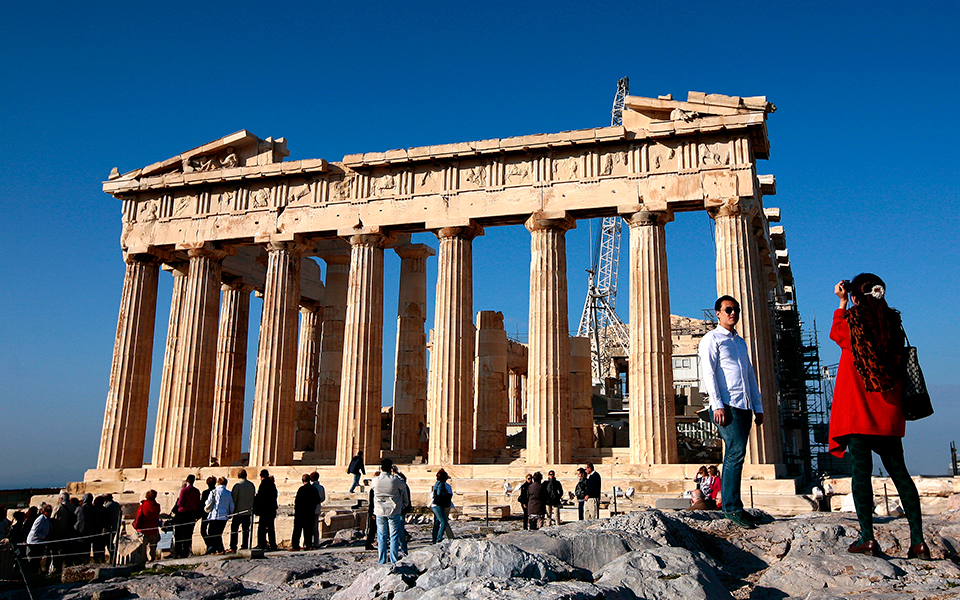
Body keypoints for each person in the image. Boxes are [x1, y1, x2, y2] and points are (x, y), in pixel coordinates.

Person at [828, 274, 929, 560]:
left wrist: (841, 301)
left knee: (861, 472)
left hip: (860, 412)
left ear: (857, 296)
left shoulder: (851, 322)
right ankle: (919, 542)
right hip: (888, 413)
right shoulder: (893, 324)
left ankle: (868, 538)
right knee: (900, 473)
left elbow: (836, 334)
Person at [698, 295, 763, 529]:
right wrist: (716, 404)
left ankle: (735, 504)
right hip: (726, 404)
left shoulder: (740, 342)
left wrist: (759, 406)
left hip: (744, 404)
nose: (732, 313)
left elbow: (749, 375)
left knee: (739, 453)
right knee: (735, 452)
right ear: (718, 313)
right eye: (728, 309)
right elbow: (709, 373)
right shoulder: (711, 339)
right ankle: (731, 508)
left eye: (736, 309)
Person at [372, 458, 410, 564]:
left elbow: (372, 488)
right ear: (390, 468)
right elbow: (403, 485)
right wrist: (396, 474)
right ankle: (393, 560)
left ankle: (381, 560)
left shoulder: (375, 480)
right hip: (393, 510)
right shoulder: (395, 480)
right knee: (394, 535)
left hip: (379, 510)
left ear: (381, 468)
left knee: (381, 536)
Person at [173, 474, 202, 558]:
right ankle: (186, 551)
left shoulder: (184, 490)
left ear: (187, 481)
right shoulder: (196, 491)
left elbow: (180, 503)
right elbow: (197, 503)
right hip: (192, 514)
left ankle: (178, 552)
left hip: (182, 513)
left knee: (179, 534)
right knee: (188, 534)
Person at [204, 477, 234, 554]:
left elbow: (208, 503)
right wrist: (230, 513)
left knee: (212, 533)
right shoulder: (228, 493)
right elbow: (231, 506)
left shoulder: (214, 492)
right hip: (224, 516)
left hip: (215, 515)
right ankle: (214, 550)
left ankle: (220, 549)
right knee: (218, 533)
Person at [229, 469, 256, 552]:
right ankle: (245, 545)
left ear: (238, 476)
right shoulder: (251, 485)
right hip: (248, 511)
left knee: (234, 530)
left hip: (238, 511)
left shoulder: (237, 485)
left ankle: (233, 546)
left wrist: (231, 511)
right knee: (246, 530)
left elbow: (234, 498)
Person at [292, 474, 320, 551]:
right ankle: (309, 545)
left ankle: (295, 546)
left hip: (300, 513)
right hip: (310, 512)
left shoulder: (301, 489)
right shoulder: (314, 489)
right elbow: (318, 500)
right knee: (308, 530)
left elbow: (297, 502)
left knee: (297, 530)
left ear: (302, 480)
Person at [253, 470, 278, 551]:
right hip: (271, 509)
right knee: (271, 528)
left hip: (264, 510)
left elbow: (261, 497)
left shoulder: (263, 484)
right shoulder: (272, 485)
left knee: (262, 529)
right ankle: (273, 544)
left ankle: (261, 544)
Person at [133, 490, 162, 561]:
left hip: (144, 529)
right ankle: (152, 558)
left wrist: (136, 526)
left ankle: (144, 560)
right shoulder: (157, 506)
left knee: (143, 547)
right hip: (153, 529)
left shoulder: (143, 506)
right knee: (153, 546)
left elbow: (139, 517)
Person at [74, 493, 103, 562]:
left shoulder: (80, 508)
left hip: (80, 532)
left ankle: (82, 562)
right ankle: (86, 561)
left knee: (81, 549)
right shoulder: (94, 509)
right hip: (91, 531)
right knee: (87, 548)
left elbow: (74, 518)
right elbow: (96, 520)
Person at [429, 469, 455, 543]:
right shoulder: (442, 484)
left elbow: (432, 495)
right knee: (444, 522)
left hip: (435, 505)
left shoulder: (436, 484)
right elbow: (439, 493)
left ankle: (435, 539)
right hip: (439, 505)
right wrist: (446, 494)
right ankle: (438, 539)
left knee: (437, 523)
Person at [26, 504, 53, 572]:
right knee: (34, 561)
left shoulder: (47, 520)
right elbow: (34, 532)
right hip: (34, 543)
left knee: (38, 561)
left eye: (50, 511)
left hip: (41, 543)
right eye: (48, 511)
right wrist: (44, 537)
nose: (50, 513)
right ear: (44, 511)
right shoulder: (41, 519)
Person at [199, 476, 217, 553]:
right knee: (211, 531)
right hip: (214, 513)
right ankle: (211, 546)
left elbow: (202, 504)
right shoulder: (217, 491)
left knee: (203, 531)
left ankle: (210, 545)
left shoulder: (205, 492)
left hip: (206, 514)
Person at [310, 471, 326, 544]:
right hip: (318, 508)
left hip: (310, 509)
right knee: (315, 527)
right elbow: (323, 498)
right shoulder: (321, 487)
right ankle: (316, 543)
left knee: (309, 527)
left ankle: (308, 543)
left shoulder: (311, 488)